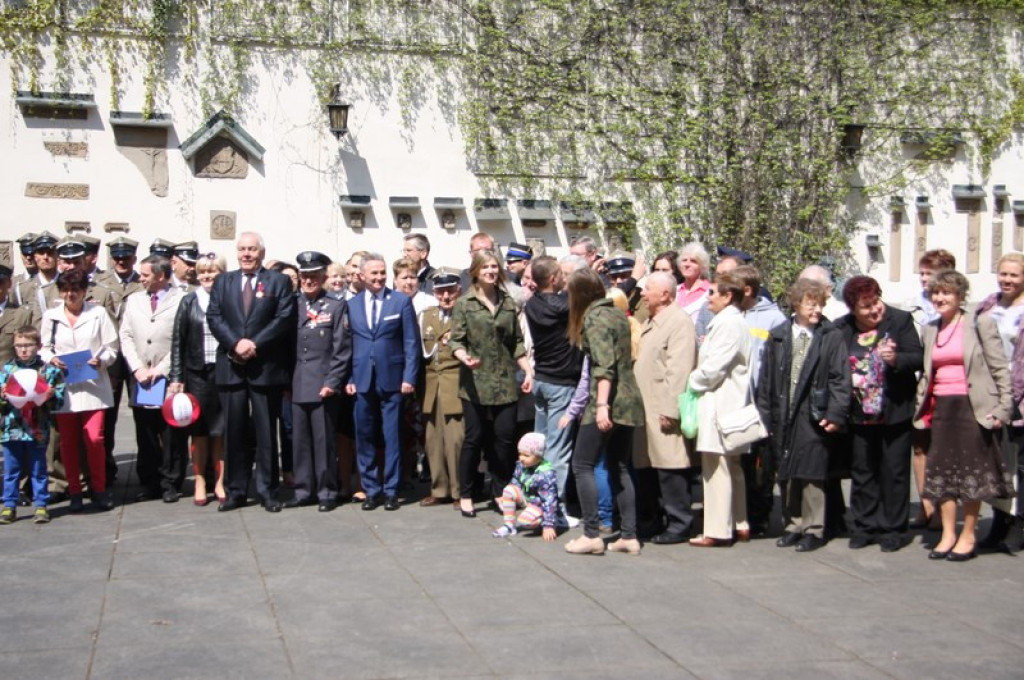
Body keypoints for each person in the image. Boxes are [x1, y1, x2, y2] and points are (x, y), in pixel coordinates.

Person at [914, 270, 1012, 561]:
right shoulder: (931, 328)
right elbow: (927, 371)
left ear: (960, 296)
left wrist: (1003, 408)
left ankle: (968, 534)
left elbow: (998, 368)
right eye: (936, 293)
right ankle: (947, 534)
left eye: (947, 293)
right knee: (942, 473)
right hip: (941, 408)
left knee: (970, 474)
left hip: (973, 408)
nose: (940, 298)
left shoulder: (980, 323)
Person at [757, 279, 851, 552]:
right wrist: (765, 415)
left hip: (813, 412)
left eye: (820, 304)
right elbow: (766, 380)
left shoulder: (830, 336)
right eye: (812, 304)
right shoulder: (778, 335)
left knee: (812, 472)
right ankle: (793, 524)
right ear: (797, 304)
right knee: (786, 471)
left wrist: (835, 412)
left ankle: (814, 527)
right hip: (782, 411)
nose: (817, 310)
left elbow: (839, 378)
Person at [207, 232, 297, 513]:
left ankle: (268, 490)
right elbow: (214, 316)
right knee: (233, 431)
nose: (247, 254)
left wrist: (255, 344)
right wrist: (236, 343)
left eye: (252, 249)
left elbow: (284, 317)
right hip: (231, 366)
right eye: (242, 249)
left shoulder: (278, 281)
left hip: (265, 367)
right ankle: (235, 490)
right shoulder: (223, 281)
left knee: (266, 431)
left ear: (261, 252)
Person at [834, 275, 923, 551]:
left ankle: (892, 529)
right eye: (866, 306)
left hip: (893, 409)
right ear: (853, 309)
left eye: (876, 302)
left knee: (894, 471)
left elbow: (918, 356)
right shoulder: (841, 328)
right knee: (863, 470)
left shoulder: (900, 321)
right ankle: (863, 526)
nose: (874, 310)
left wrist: (896, 359)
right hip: (860, 414)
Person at [563, 267, 644, 556]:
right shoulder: (614, 312)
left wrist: (601, 406)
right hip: (629, 399)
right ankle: (630, 536)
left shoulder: (594, 318)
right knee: (619, 465)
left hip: (608, 401)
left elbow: (604, 366)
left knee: (582, 464)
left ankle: (591, 535)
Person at [449, 250, 533, 517]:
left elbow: (517, 343)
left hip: (505, 381)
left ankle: (500, 491)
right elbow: (456, 341)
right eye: (485, 267)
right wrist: (464, 357)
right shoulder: (465, 303)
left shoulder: (508, 302)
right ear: (475, 270)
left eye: (494, 267)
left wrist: (528, 372)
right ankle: (466, 493)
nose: (491, 271)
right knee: (474, 438)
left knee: (505, 439)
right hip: (475, 381)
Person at [345, 253, 420, 511]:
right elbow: (348, 345)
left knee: (392, 436)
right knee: (364, 436)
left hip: (393, 380)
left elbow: (411, 342)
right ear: (361, 276)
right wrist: (350, 378)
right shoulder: (352, 305)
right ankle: (371, 490)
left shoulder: (399, 301)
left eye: (382, 272)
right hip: (362, 379)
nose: (379, 277)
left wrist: (409, 377)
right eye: (373, 273)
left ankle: (391, 489)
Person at [40, 269, 119, 512]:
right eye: (65, 290)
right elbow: (44, 347)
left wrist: (102, 360)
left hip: (94, 385)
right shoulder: (52, 316)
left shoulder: (98, 313)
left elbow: (112, 347)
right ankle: (74, 490)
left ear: (84, 291)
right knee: (68, 442)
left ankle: (99, 488)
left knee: (94, 438)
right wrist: (51, 359)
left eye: (75, 290)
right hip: (66, 387)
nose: (70, 295)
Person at [686, 272, 752, 547]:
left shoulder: (728, 323)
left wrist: (690, 379)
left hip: (720, 403)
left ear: (728, 296)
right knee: (730, 466)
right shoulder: (729, 321)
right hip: (726, 402)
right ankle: (739, 522)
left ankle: (717, 529)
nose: (708, 298)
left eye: (713, 293)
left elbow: (714, 368)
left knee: (717, 467)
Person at [634, 272, 699, 544]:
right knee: (650, 467)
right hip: (647, 407)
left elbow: (680, 369)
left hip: (662, 407)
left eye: (648, 289)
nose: (643, 294)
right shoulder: (652, 320)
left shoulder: (678, 323)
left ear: (665, 294)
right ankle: (655, 519)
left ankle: (679, 523)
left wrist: (671, 410)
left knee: (671, 467)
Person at [286, 252, 351, 512]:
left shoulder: (335, 306)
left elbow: (342, 349)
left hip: (323, 383)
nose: (309, 281)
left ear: (323, 278)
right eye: (305, 276)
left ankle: (326, 492)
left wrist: (332, 381)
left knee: (324, 442)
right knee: (299, 441)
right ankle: (303, 490)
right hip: (298, 382)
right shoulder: (292, 305)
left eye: (314, 276)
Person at [119, 255, 187, 503]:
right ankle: (149, 480)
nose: (141, 278)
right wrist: (137, 368)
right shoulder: (134, 300)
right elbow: (125, 335)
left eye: (145, 275)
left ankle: (171, 481)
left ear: (160, 275)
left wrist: (163, 368)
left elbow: (183, 338)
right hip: (141, 377)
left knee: (171, 432)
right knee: (144, 430)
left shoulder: (181, 300)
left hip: (168, 376)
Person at [974, 252, 1024, 553]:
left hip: (1021, 392)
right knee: (997, 461)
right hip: (993, 392)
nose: (1007, 280)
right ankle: (1000, 519)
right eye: (1003, 274)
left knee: (1021, 463)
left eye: (1014, 275)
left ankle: (1020, 522)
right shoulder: (989, 307)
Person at [168, 253, 228, 506]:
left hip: (225, 372)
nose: (206, 276)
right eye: (203, 271)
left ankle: (220, 481)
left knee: (221, 430)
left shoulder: (229, 300)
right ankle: (201, 480)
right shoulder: (189, 301)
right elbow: (178, 341)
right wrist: (177, 376)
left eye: (212, 271)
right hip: (197, 374)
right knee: (200, 431)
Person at [524, 255, 583, 506]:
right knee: (558, 449)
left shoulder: (532, 303)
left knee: (540, 443)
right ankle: (552, 506)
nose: (563, 277)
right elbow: (587, 299)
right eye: (560, 274)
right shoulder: (562, 306)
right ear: (552, 278)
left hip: (541, 381)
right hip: (561, 384)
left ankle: (534, 498)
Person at [0, 326, 65, 524]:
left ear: (38, 346)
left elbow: (59, 401)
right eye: (19, 346)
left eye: (28, 345)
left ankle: (41, 505)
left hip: (38, 428)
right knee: (11, 470)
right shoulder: (6, 370)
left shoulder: (48, 371)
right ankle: (9, 505)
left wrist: (52, 395)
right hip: (11, 429)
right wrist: (2, 397)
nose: (23, 350)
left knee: (39, 469)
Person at [419, 269, 465, 506]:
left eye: (450, 290)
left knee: (456, 441)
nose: (445, 296)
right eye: (440, 291)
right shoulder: (426, 316)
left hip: (455, 382)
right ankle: (439, 489)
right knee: (433, 440)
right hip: (430, 386)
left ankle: (460, 492)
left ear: (459, 289)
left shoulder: (465, 314)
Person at [492, 432, 559, 541]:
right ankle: (509, 525)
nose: (521, 458)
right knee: (508, 490)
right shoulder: (522, 465)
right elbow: (516, 481)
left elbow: (549, 501)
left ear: (538, 456)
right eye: (520, 454)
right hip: (528, 499)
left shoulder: (545, 474)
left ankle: (548, 520)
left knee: (525, 521)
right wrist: (506, 499)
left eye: (526, 455)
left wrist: (549, 525)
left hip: (540, 503)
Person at [675, 242, 712, 322]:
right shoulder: (675, 290)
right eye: (684, 260)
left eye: (693, 261)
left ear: (702, 266)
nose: (687, 264)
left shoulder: (710, 291)